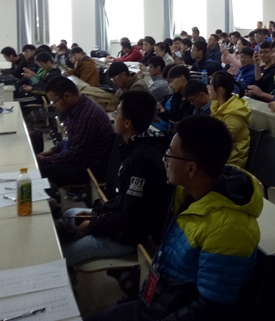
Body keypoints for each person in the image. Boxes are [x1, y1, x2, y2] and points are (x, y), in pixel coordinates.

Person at [89, 115, 263, 321]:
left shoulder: (230, 229)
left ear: (191, 168)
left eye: (171, 154)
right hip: (161, 301)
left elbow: (211, 309)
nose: (166, 159)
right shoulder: (186, 193)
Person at [59, 90, 171, 266]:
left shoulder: (142, 161)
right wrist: (98, 212)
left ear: (127, 123)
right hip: (120, 223)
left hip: (126, 238)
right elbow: (125, 199)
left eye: (117, 114)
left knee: (59, 255)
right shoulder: (136, 145)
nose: (114, 118)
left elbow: (130, 218)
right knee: (70, 214)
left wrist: (93, 225)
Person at [39, 76, 115, 186]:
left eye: (54, 101)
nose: (53, 105)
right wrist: (52, 151)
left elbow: (75, 155)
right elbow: (71, 140)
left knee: (41, 172)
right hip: (82, 161)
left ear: (67, 96)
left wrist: (45, 160)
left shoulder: (86, 116)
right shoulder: (78, 107)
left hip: (90, 170)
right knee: (42, 166)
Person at [208, 71, 252, 168]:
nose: (208, 88)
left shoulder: (234, 114)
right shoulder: (217, 105)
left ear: (219, 90)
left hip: (232, 162)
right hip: (219, 156)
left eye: (210, 85)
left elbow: (222, 144)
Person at [157, 65, 194, 130]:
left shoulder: (194, 98)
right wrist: (162, 112)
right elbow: (173, 119)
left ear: (182, 78)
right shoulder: (176, 96)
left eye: (171, 81)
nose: (170, 85)